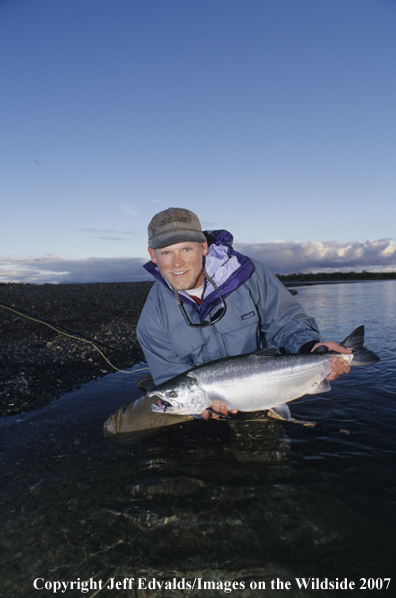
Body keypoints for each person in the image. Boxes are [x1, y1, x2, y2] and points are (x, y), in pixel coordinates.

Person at [136, 207, 350, 419]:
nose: (177, 263)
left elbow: (285, 321)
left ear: (203, 247)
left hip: (269, 389)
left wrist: (310, 347)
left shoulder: (247, 274)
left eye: (186, 250)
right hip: (204, 406)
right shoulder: (152, 319)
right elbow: (170, 376)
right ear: (152, 255)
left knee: (264, 451)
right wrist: (202, 411)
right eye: (166, 253)